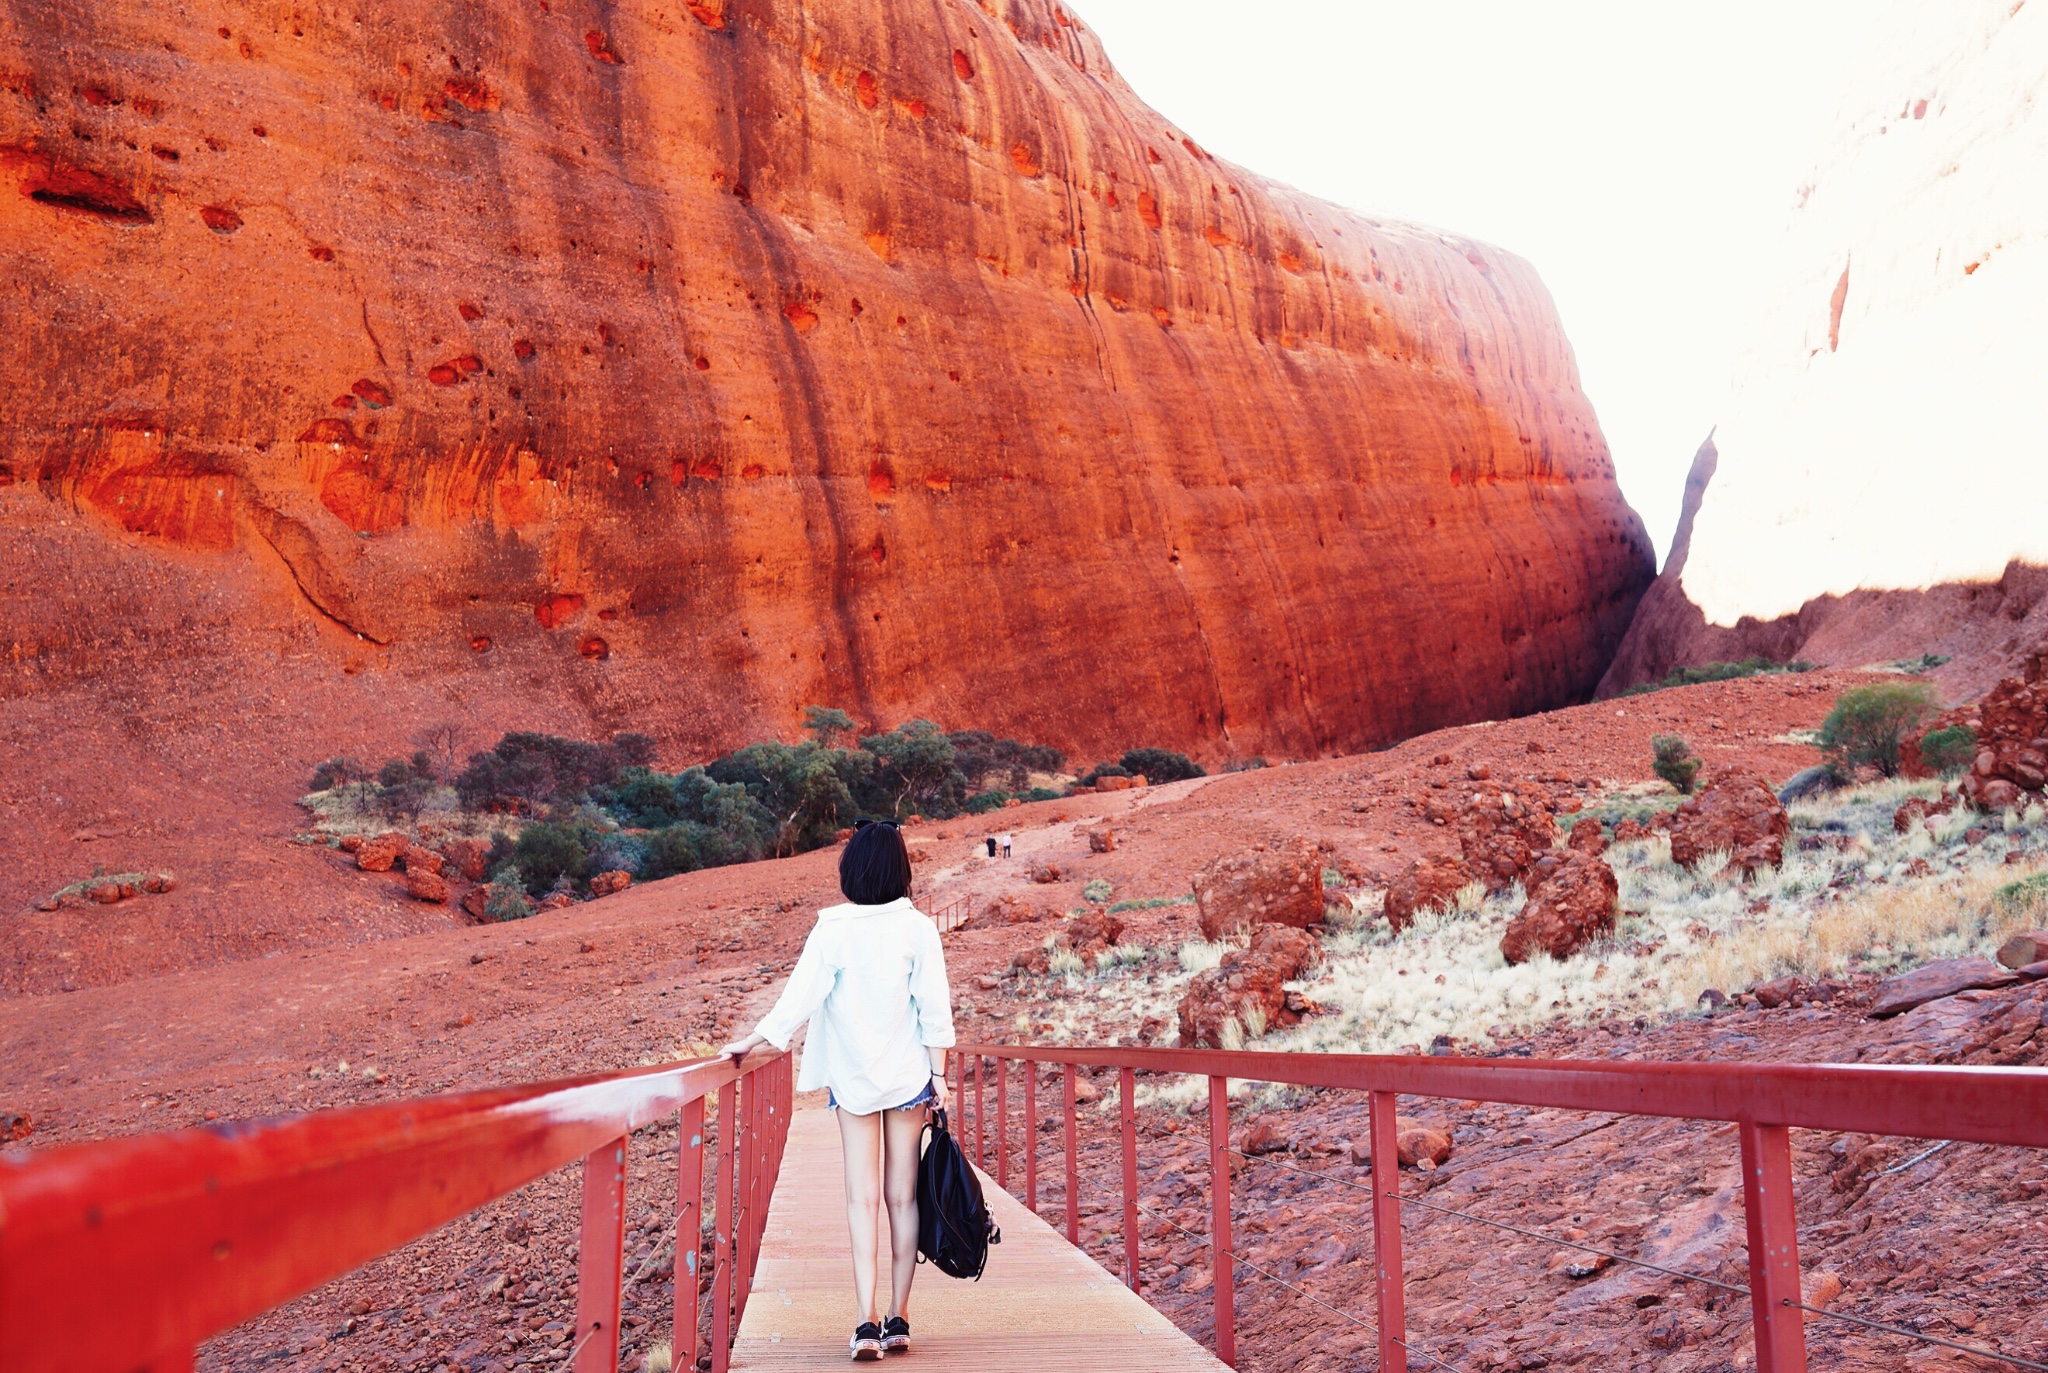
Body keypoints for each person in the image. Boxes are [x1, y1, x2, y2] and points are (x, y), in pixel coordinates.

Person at [721, 821, 954, 1361]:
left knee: (861, 1198)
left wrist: (751, 1042)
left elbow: (797, 1000)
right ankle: (898, 1318)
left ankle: (865, 1322)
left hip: (853, 1082)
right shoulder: (918, 929)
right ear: (901, 869)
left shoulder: (832, 928)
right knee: (903, 1196)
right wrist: (939, 1076)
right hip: (906, 1079)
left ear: (852, 868)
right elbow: (935, 1012)